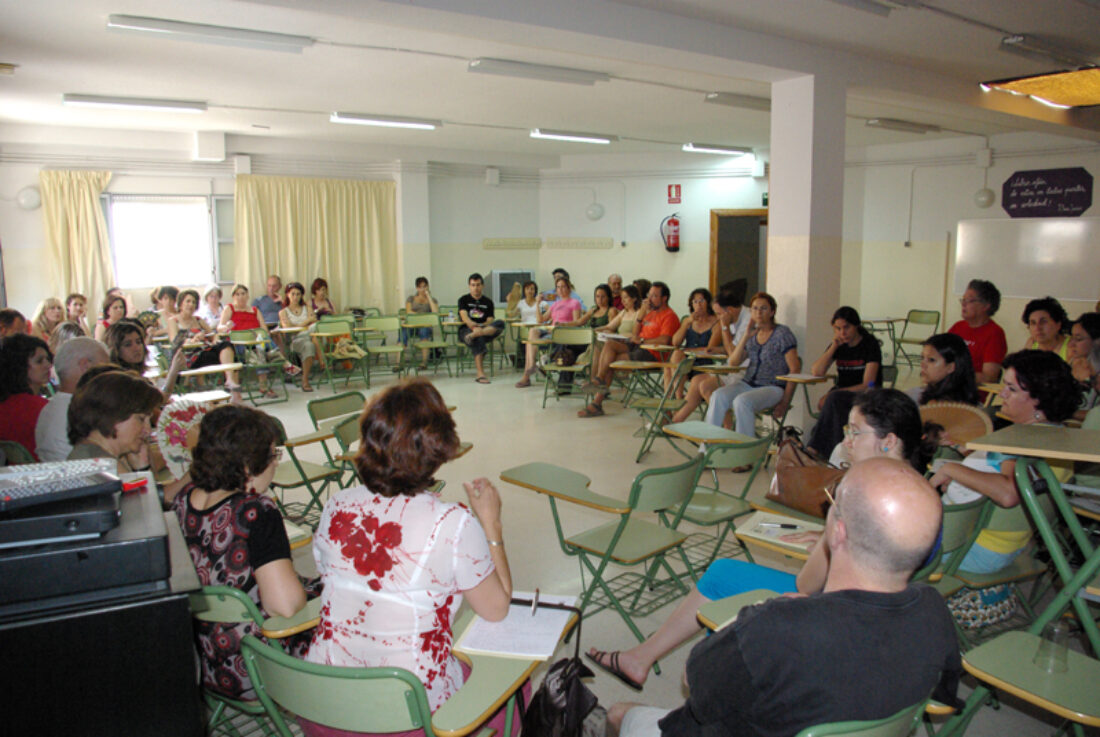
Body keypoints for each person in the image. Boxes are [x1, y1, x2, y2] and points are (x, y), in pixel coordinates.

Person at [588, 388, 930, 690]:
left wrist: (828, 540)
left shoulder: (860, 497)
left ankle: (682, 675)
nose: (846, 442)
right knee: (723, 573)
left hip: (834, 613)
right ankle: (642, 659)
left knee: (724, 591)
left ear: (888, 441)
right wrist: (830, 544)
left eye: (855, 433)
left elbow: (806, 582)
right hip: (877, 612)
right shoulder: (921, 497)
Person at [607, 457, 959, 737]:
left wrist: (750, 619)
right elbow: (940, 697)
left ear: (837, 532)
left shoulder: (774, 628)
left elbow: (694, 686)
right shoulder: (934, 610)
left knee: (618, 714)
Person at [305, 379, 516, 735]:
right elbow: (497, 609)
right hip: (409, 716)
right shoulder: (452, 522)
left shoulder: (335, 505)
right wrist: (491, 524)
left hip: (322, 704)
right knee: (516, 689)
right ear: (439, 447)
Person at [172, 404, 312, 701]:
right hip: (258, 667)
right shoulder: (256, 513)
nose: (275, 464)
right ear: (249, 465)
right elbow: (285, 607)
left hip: (205, 662)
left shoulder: (184, 500)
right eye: (272, 455)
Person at [929, 350, 1080, 574]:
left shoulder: (1019, 442)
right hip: (1001, 547)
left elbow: (1009, 493)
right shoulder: (1060, 439)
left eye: (1011, 389)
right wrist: (964, 458)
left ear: (1038, 399)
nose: (1002, 394)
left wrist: (953, 469)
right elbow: (1013, 476)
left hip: (968, 546)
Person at [703, 292, 800, 438]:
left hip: (773, 387)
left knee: (742, 402)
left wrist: (785, 402)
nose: (758, 312)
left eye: (763, 308)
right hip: (748, 384)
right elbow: (734, 361)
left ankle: (745, 451)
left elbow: (795, 369)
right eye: (754, 309)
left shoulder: (782, 334)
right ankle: (708, 444)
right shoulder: (753, 334)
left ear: (772, 312)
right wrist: (746, 336)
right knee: (718, 395)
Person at [579, 282, 680, 417]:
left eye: (654, 296)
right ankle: (599, 379)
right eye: (649, 295)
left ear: (664, 298)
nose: (649, 299)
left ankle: (597, 400)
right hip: (637, 346)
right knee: (609, 344)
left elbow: (665, 340)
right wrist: (641, 314)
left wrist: (643, 341)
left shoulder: (669, 316)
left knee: (611, 362)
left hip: (653, 353)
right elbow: (635, 333)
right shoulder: (650, 313)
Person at [669, 285, 752, 424]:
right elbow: (730, 349)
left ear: (729, 310)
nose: (719, 318)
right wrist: (718, 350)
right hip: (729, 366)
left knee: (705, 385)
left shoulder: (745, 321)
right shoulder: (733, 318)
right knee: (693, 378)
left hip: (743, 372)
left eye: (719, 314)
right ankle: (676, 420)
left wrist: (724, 327)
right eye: (695, 301)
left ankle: (726, 427)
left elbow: (734, 356)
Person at [805, 306, 882, 458]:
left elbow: (868, 383)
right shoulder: (839, 345)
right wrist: (833, 347)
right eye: (837, 328)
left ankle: (816, 449)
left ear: (856, 326)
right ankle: (829, 451)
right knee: (832, 402)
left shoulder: (870, 345)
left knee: (833, 399)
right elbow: (817, 371)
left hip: (866, 394)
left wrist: (835, 393)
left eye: (846, 327)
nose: (842, 333)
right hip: (843, 393)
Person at [66, 369, 164, 474]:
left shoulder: (94, 453)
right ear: (113, 415)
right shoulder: (102, 465)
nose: (147, 430)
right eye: (141, 419)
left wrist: (141, 467)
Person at [35, 337, 109, 462]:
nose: (109, 377)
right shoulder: (80, 411)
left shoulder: (51, 407)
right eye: (105, 369)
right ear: (86, 366)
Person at [219, 283, 300, 398]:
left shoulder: (255, 310)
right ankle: (283, 364)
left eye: (243, 294)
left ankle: (265, 385)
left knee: (262, 344)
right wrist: (226, 326)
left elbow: (264, 329)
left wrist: (257, 336)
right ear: (233, 296)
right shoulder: (229, 308)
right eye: (238, 294)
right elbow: (220, 328)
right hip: (240, 345)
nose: (241, 296)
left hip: (257, 343)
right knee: (261, 350)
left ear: (247, 296)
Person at [515, 276, 582, 388]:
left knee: (529, 342)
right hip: (551, 332)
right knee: (532, 332)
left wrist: (562, 325)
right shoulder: (555, 304)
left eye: (563, 287)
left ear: (569, 288)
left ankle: (526, 376)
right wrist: (537, 303)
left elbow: (577, 322)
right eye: (558, 287)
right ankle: (532, 365)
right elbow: (541, 320)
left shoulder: (574, 303)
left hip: (563, 333)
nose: (560, 290)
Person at [167, 289, 237, 389]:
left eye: (194, 302)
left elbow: (213, 335)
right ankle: (203, 386)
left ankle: (229, 380)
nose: (191, 304)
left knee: (226, 344)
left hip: (204, 351)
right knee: (209, 355)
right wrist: (192, 340)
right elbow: (175, 341)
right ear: (181, 303)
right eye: (188, 301)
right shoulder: (173, 321)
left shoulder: (199, 320)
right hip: (188, 355)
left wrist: (214, 340)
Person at [0, 334, 53, 459]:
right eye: (39, 361)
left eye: (48, 359)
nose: (48, 365)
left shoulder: (5, 403)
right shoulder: (40, 408)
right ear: (19, 366)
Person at [104, 319, 184, 399]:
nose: (137, 348)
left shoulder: (137, 373)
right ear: (116, 350)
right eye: (128, 345)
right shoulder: (121, 379)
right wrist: (173, 371)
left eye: (138, 342)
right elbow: (158, 399)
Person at [948, 279, 1007, 384]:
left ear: (985, 306)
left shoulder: (995, 333)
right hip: (949, 389)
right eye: (963, 300)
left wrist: (953, 374)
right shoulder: (958, 327)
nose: (963, 304)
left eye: (969, 301)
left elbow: (989, 377)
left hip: (971, 394)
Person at [664, 288, 720, 393]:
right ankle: (676, 400)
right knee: (672, 361)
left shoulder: (716, 322)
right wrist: (686, 323)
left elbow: (710, 350)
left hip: (704, 362)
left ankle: (678, 401)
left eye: (702, 301)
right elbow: (675, 342)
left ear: (708, 303)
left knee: (673, 365)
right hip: (685, 361)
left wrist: (689, 351)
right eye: (695, 301)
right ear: (691, 305)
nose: (698, 304)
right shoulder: (688, 321)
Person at [908, 333, 980, 406]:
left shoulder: (943, 406)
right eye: (922, 358)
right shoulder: (916, 394)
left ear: (950, 367)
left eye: (931, 360)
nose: (922, 364)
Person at [457, 272, 505, 384]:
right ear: (469, 286)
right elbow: (464, 317)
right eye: (473, 285)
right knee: (479, 339)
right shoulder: (463, 300)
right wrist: (474, 328)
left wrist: (481, 328)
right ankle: (480, 374)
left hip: (484, 329)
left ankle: (477, 334)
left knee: (501, 323)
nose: (476, 288)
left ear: (482, 286)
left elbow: (490, 320)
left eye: (478, 285)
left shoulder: (488, 302)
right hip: (467, 330)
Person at [280, 281, 320, 392]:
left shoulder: (308, 308)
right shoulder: (283, 312)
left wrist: (297, 326)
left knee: (309, 344)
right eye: (293, 294)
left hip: (308, 339)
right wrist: (307, 322)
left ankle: (305, 380)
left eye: (298, 294)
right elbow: (287, 328)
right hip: (295, 340)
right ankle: (322, 361)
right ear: (287, 294)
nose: (295, 297)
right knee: (313, 330)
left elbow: (314, 323)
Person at [403, 276, 439, 370]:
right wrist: (422, 315)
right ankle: (398, 363)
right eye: (421, 287)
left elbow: (435, 313)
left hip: (425, 325)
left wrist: (429, 297)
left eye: (425, 286)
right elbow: (409, 312)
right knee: (403, 332)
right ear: (417, 288)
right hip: (412, 325)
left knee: (424, 331)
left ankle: (424, 362)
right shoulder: (411, 298)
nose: (423, 289)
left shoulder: (433, 300)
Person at [253, 275, 286, 352]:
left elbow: (290, 314)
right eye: (269, 286)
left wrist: (282, 302)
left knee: (279, 334)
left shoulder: (284, 301)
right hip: (265, 327)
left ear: (280, 287)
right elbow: (252, 316)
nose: (271, 289)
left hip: (280, 326)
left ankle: (281, 360)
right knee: (273, 334)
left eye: (274, 286)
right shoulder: (259, 300)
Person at [1068, 312, 1100, 386]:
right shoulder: (1072, 363)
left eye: (1078, 339)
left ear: (1097, 341)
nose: (1070, 344)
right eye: (1071, 337)